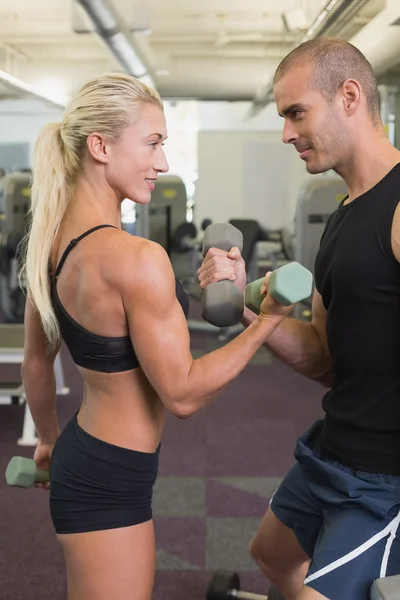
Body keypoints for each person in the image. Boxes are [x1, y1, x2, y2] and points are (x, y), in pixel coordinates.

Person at [18, 72, 293, 600]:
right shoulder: (136, 259)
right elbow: (184, 393)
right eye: (153, 143)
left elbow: (36, 361)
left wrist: (48, 440)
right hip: (109, 481)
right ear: (100, 146)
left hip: (83, 451)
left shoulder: (49, 245)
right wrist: (272, 320)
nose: (163, 163)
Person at [197, 38, 400, 600]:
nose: (286, 133)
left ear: (350, 97)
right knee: (272, 554)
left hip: (386, 481)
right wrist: (242, 305)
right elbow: (324, 357)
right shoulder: (342, 215)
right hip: (336, 448)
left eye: (296, 112)